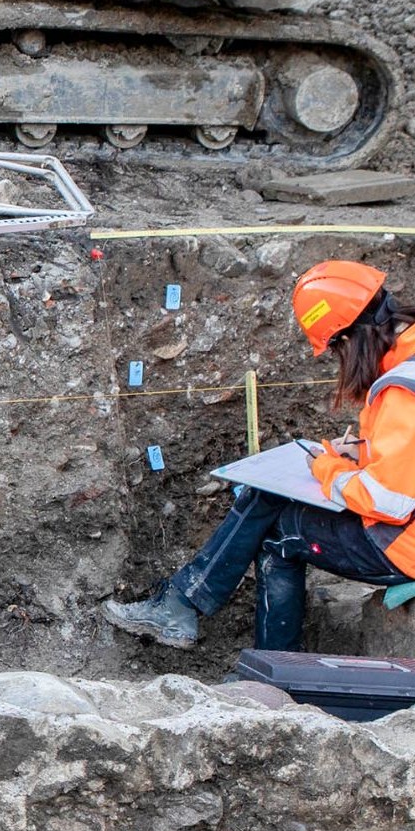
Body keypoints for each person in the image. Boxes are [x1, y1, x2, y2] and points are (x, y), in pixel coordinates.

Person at [105, 262, 415, 652]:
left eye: (336, 348)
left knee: (275, 531)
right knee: (267, 502)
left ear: (353, 336)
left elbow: (391, 501)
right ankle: (182, 604)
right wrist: (366, 452)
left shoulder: (401, 390)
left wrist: (327, 467)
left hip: (405, 547)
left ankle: (270, 672)